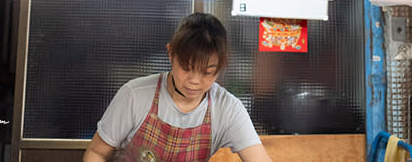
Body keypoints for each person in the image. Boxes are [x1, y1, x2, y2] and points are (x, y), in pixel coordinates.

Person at [83, 12, 273, 162]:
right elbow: (96, 153)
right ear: (171, 54)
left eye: (207, 72)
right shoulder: (135, 95)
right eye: (187, 68)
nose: (195, 81)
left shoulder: (227, 109)